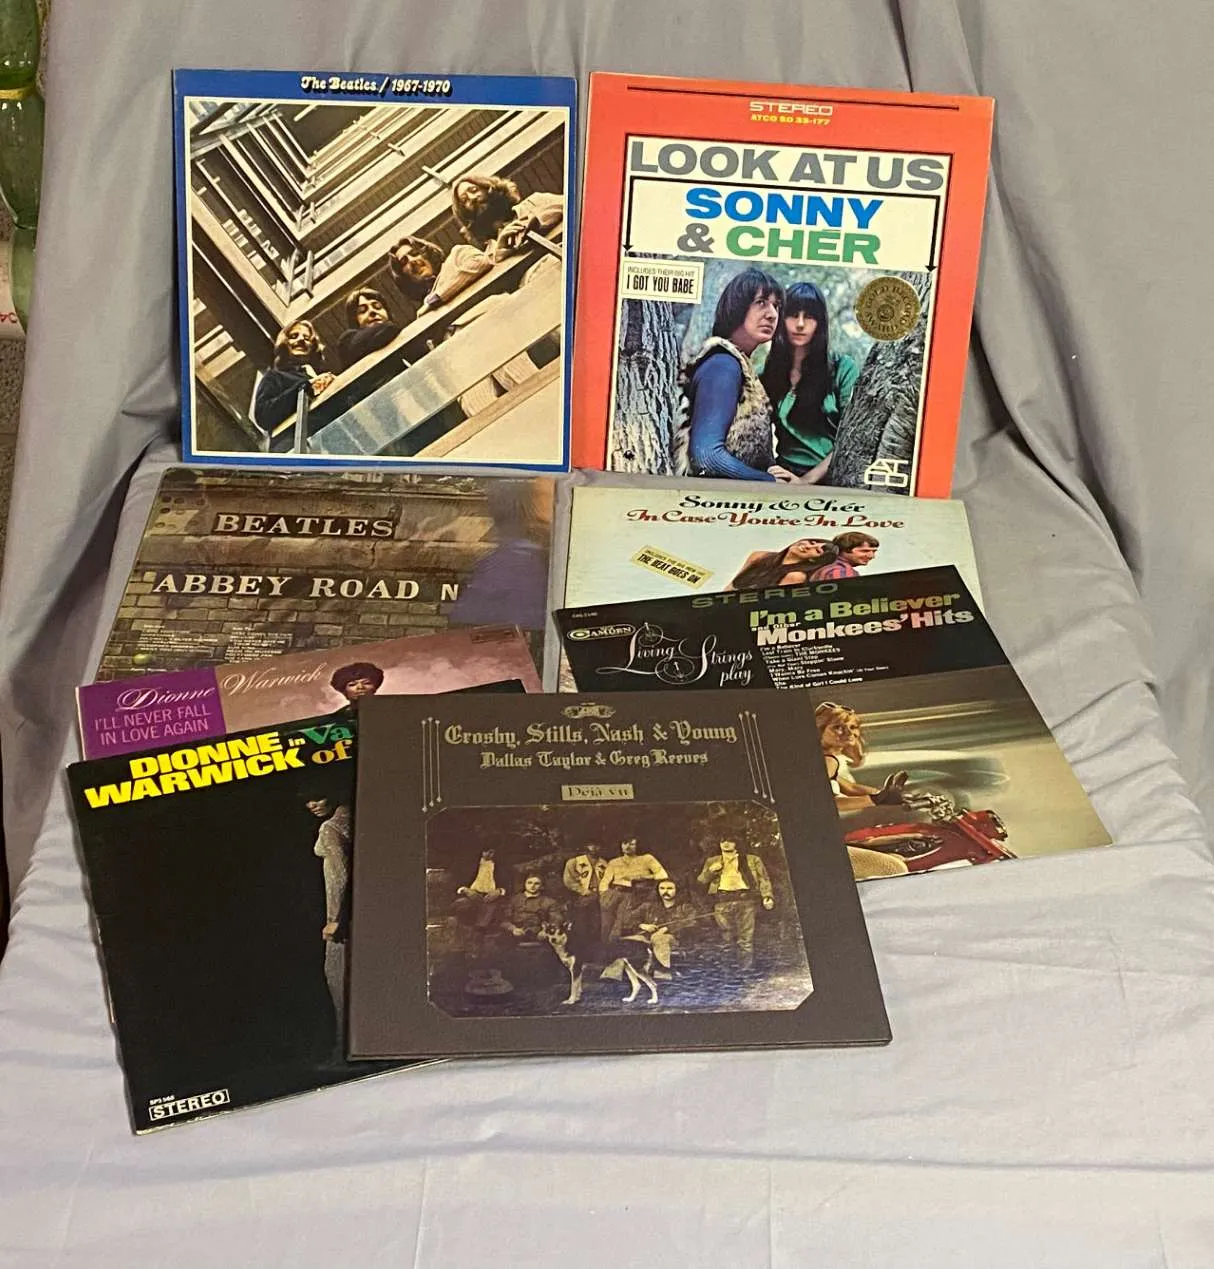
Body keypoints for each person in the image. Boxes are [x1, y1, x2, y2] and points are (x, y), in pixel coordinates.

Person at [674, 267, 794, 483]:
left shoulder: (738, 365)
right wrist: (768, 481)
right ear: (737, 307)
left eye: (776, 306)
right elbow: (706, 458)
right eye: (761, 302)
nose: (772, 314)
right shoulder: (723, 365)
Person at [761, 281, 860, 483]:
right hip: (784, 477)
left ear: (820, 323)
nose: (800, 324)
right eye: (792, 315)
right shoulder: (767, 374)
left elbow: (852, 436)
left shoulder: (843, 369)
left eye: (809, 316)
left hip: (829, 478)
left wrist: (806, 481)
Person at [814, 701, 911, 880]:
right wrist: (876, 799)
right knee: (893, 868)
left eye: (852, 727)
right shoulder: (828, 761)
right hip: (819, 840)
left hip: (830, 832)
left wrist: (891, 795)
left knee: (900, 854)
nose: (849, 732)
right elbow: (827, 803)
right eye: (838, 727)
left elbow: (849, 787)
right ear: (819, 730)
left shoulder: (829, 758)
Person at [305, 796, 352, 1027]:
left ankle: (344, 1038)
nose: (311, 805)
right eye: (308, 801)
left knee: (336, 974)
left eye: (317, 798)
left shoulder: (330, 827)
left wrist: (335, 919)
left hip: (342, 919)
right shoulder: (354, 818)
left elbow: (339, 875)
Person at [696, 839, 774, 972]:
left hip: (745, 901)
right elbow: (701, 881)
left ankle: (745, 971)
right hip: (722, 902)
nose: (726, 844)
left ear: (737, 842)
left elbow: (764, 879)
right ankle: (729, 973)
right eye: (722, 841)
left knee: (746, 939)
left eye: (730, 840)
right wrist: (710, 871)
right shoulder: (712, 861)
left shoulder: (752, 860)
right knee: (726, 938)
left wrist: (767, 896)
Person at [251, 320, 336, 438]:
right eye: (294, 336)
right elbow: (263, 415)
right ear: (284, 343)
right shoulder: (274, 376)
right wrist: (305, 388)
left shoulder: (314, 374)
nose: (301, 340)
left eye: (307, 338)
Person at [451, 174, 565, 254]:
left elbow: (572, 205)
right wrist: (501, 250)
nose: (472, 198)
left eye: (474, 190)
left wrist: (540, 219)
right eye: (464, 200)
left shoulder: (536, 201)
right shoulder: (486, 251)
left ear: (488, 187)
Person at [387, 234, 494, 312]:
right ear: (404, 278)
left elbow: (481, 262)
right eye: (404, 262)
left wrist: (437, 297)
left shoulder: (457, 255)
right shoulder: (426, 310)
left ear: (426, 253)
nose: (412, 260)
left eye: (414, 253)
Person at [598, 837, 668, 944]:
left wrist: (642, 877)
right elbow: (604, 882)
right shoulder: (614, 862)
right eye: (625, 843)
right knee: (606, 923)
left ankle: (618, 946)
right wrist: (604, 895)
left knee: (621, 923)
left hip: (636, 894)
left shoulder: (647, 859)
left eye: (632, 844)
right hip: (615, 893)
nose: (627, 847)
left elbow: (662, 875)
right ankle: (606, 948)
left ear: (638, 846)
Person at [631, 877, 702, 979]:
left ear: (677, 890)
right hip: (647, 938)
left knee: (659, 938)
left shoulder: (685, 907)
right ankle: (614, 977)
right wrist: (643, 925)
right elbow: (628, 918)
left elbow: (692, 922)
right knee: (629, 941)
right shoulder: (648, 906)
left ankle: (663, 973)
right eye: (662, 888)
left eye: (670, 888)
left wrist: (667, 928)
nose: (665, 891)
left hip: (675, 940)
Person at [725, 538, 839, 590]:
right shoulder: (759, 556)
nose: (808, 546)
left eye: (817, 550)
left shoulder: (795, 576)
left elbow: (772, 606)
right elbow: (730, 587)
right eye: (812, 542)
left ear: (813, 560)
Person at [336, 287, 402, 371]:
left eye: (377, 307)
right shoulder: (347, 341)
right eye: (362, 311)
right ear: (354, 320)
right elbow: (388, 328)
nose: (372, 311)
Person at [500, 874, 563, 941]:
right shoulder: (514, 900)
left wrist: (546, 931)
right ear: (525, 884)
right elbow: (504, 920)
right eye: (529, 883)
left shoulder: (549, 902)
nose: (532, 886)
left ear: (542, 886)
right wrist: (513, 929)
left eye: (536, 883)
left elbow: (556, 919)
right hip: (515, 935)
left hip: (539, 934)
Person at [809, 532, 880, 581]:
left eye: (873, 551)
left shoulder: (825, 566)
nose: (872, 556)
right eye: (865, 551)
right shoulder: (841, 571)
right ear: (845, 549)